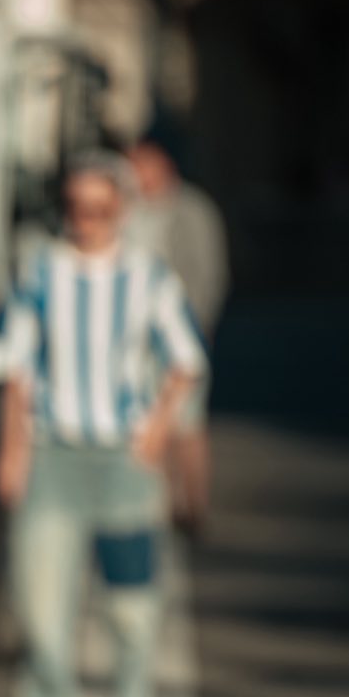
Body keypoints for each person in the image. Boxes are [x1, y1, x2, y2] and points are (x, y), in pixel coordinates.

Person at [0, 154, 210, 697]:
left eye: (99, 209)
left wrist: (156, 432)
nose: (86, 221)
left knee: (133, 605)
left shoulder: (149, 277)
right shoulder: (40, 272)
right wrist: (12, 451)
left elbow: (187, 360)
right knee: (42, 599)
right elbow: (15, 370)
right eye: (75, 208)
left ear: (121, 210)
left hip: (122, 462)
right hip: (53, 456)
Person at [126, 135, 230, 528]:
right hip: (137, 334)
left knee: (187, 423)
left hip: (181, 329)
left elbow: (209, 271)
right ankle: (164, 503)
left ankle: (194, 504)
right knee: (151, 421)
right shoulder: (128, 206)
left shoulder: (192, 209)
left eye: (142, 164)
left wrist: (200, 324)